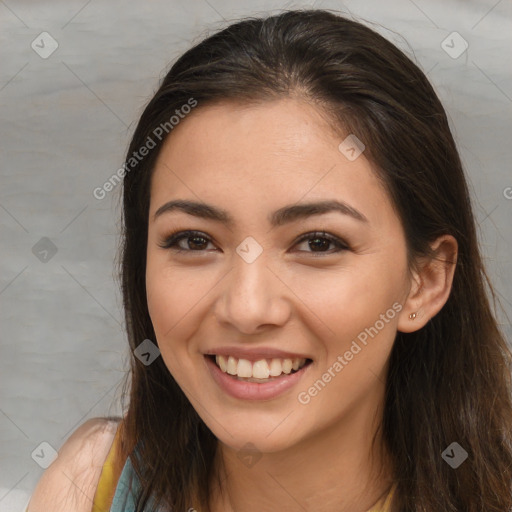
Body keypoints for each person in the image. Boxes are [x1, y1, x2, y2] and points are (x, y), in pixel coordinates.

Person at [27, 8, 512, 512]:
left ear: (425, 281)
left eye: (318, 243)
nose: (247, 307)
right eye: (194, 241)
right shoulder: (90, 487)